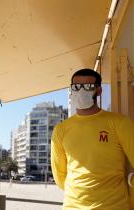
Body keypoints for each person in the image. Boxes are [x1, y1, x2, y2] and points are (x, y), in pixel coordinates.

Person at [51, 68, 134, 210]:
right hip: (72, 207)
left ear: (99, 90)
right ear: (71, 90)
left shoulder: (120, 123)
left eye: (88, 87)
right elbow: (59, 175)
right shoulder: (61, 129)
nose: (81, 91)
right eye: (76, 87)